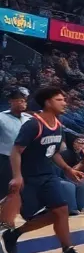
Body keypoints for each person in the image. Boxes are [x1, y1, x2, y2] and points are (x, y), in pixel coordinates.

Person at [0, 87, 84, 253]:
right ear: (48, 102)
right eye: (60, 100)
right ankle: (13, 234)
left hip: (47, 174)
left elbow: (53, 153)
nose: (64, 103)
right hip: (29, 177)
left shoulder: (58, 125)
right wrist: (17, 176)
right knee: (47, 215)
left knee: (62, 210)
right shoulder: (33, 124)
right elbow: (16, 151)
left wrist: (68, 170)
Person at [0, 88, 32, 229]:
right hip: (5, 159)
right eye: (19, 100)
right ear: (10, 102)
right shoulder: (1, 117)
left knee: (18, 191)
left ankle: (6, 219)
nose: (23, 103)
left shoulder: (29, 119)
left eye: (24, 100)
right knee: (4, 189)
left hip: (25, 160)